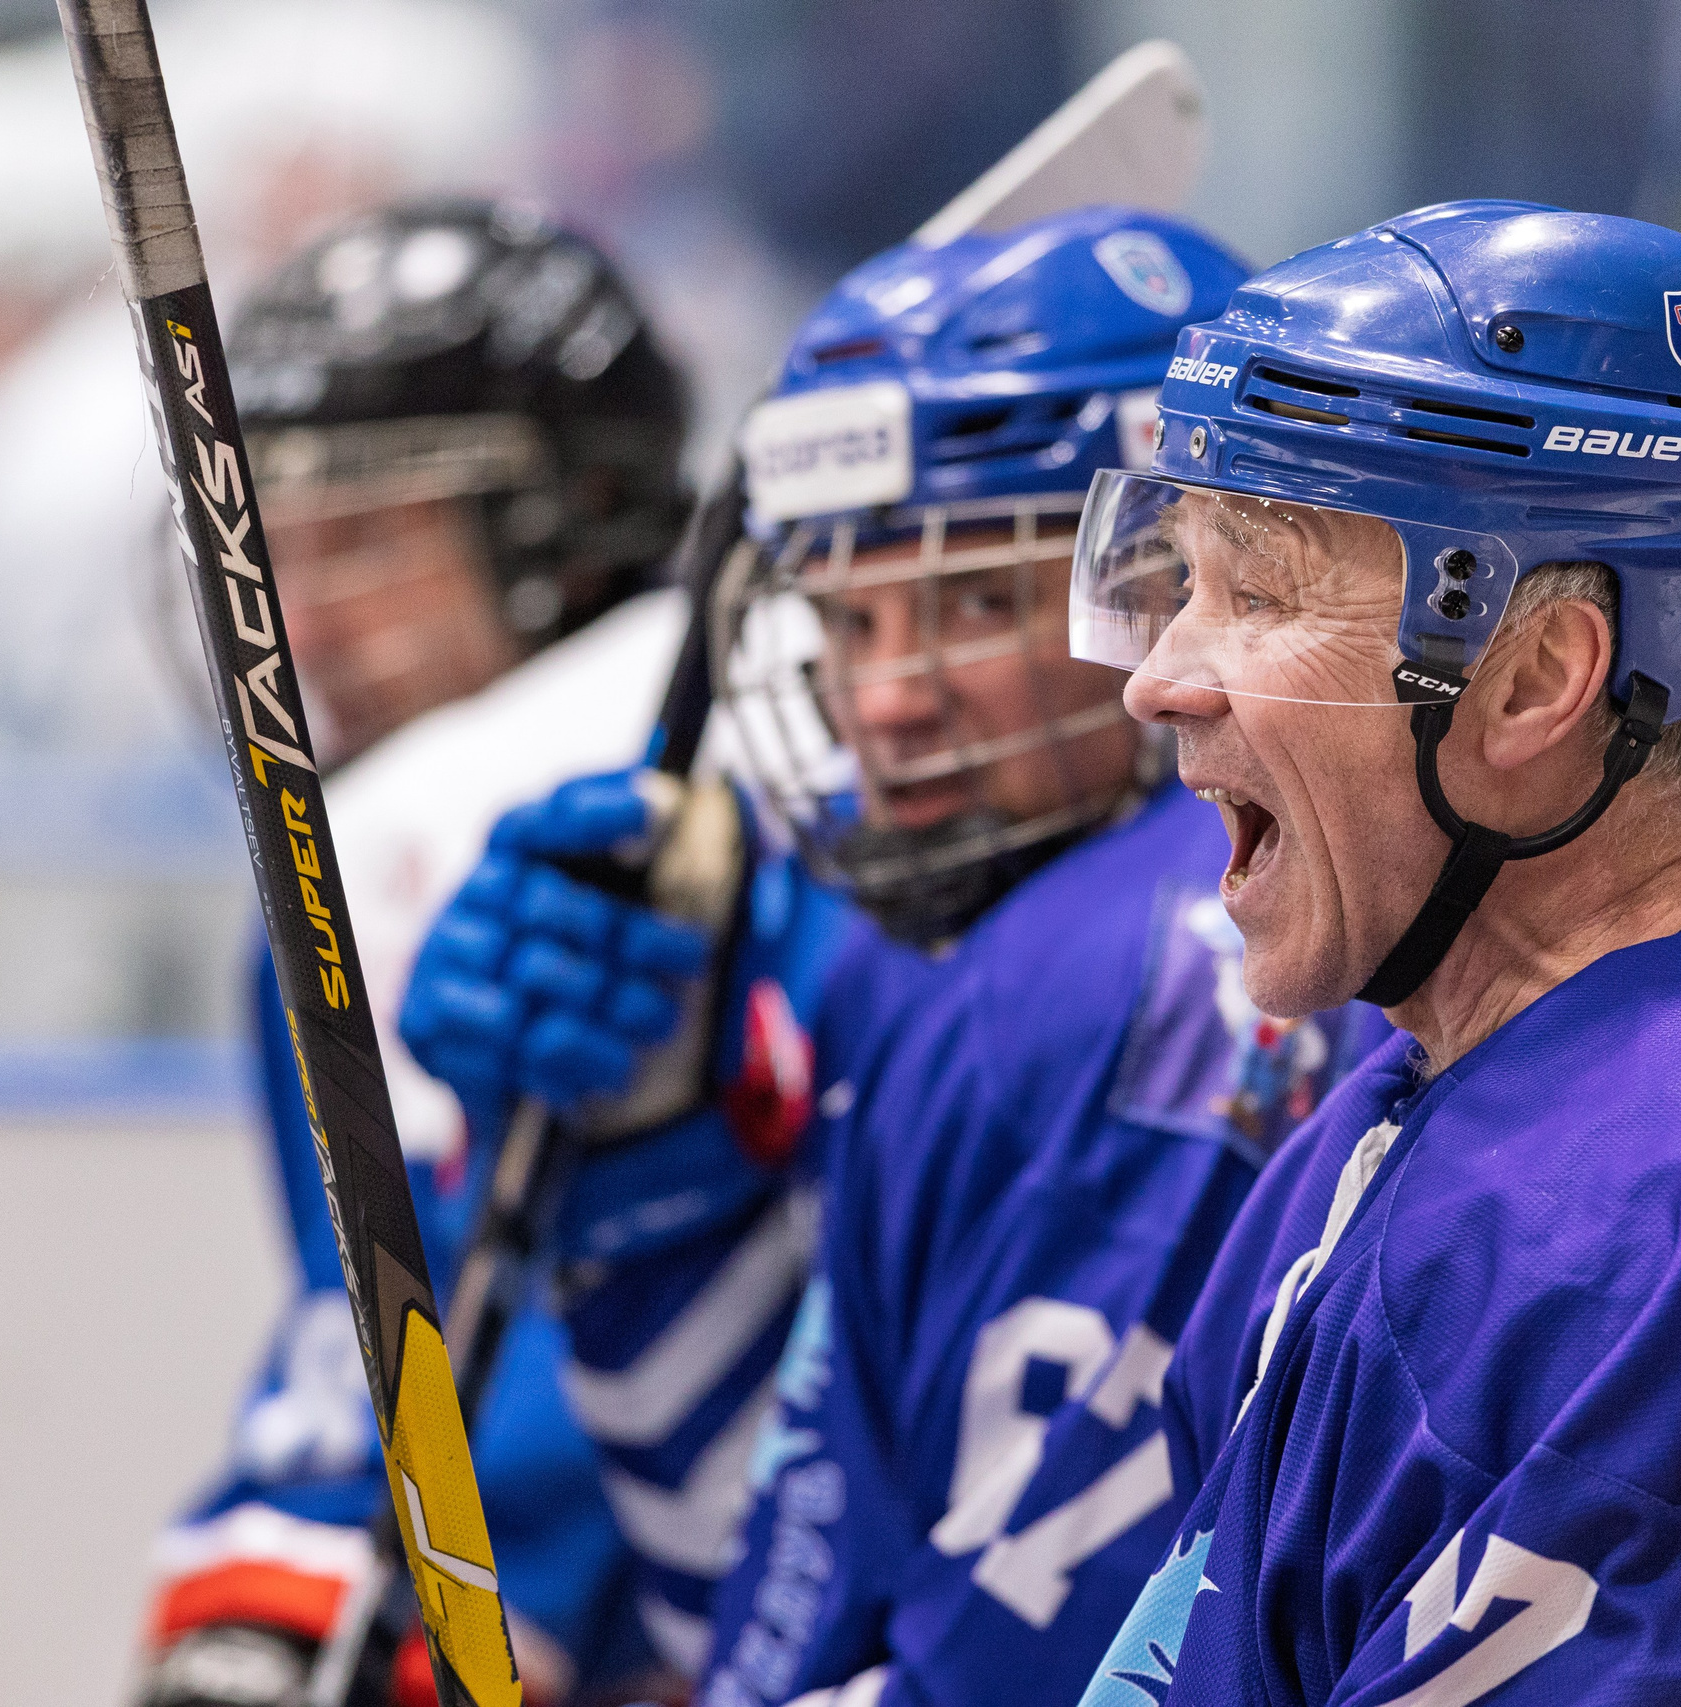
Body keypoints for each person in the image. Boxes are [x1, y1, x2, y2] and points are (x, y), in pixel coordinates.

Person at [1063, 200, 1681, 1705]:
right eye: (1180, 583)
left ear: (1534, 678)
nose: (1157, 679)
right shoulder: (1443, 1090)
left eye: (1262, 593)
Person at [397, 204, 1387, 1707]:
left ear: (1209, 584)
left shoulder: (1168, 966)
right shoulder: (885, 954)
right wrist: (655, 1168)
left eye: (976, 601)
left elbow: (979, 1665)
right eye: (848, 624)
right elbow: (779, 1585)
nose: (889, 702)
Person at [140, 196, 693, 1707]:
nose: (292, 624)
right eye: (275, 553)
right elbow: (376, 1340)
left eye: (368, 542)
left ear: (575, 533)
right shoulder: (341, 896)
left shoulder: (725, 854)